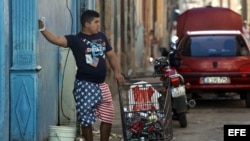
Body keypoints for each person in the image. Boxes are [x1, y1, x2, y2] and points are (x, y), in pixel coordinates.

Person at [39, 10, 124, 141]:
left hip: (102, 85)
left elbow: (111, 55)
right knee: (86, 120)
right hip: (85, 85)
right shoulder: (76, 40)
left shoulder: (101, 37)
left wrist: (117, 72)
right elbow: (56, 39)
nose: (98, 25)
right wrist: (43, 29)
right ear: (87, 24)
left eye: (99, 22)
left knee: (108, 115)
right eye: (96, 22)